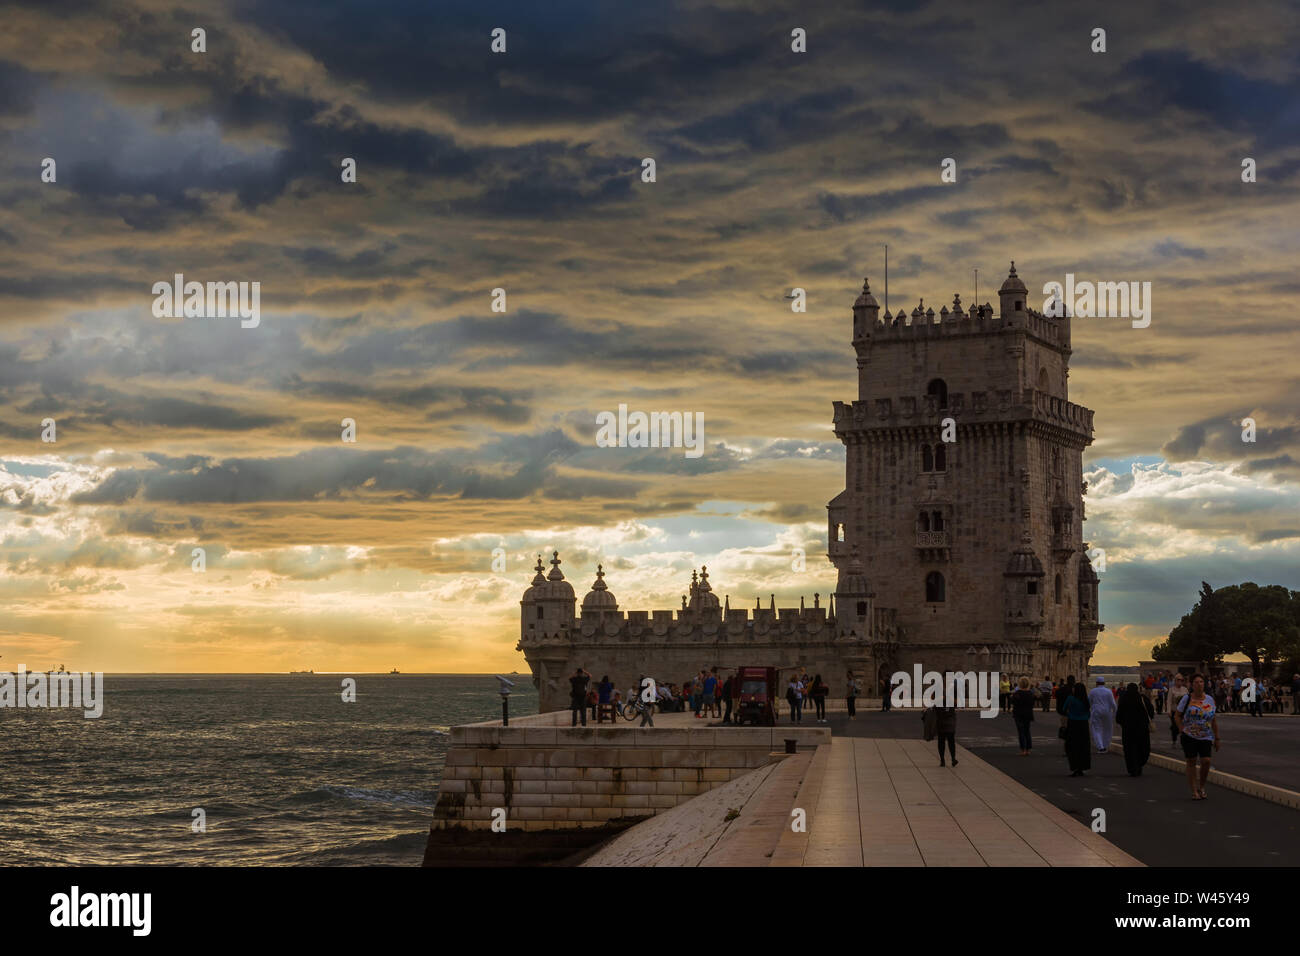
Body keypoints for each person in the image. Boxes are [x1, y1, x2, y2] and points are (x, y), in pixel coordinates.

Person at [1174, 674, 1220, 800]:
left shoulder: (1210, 699)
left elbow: (1213, 719)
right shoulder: (1187, 699)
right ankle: (1194, 790)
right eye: (1196, 682)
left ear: (1204, 684)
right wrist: (1181, 728)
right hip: (1189, 735)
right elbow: (1177, 715)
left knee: (1206, 761)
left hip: (1206, 735)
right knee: (1191, 762)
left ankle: (1201, 786)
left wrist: (1217, 738)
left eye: (1201, 682)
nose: (1199, 684)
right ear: (1192, 684)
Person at [1116, 683, 1154, 776]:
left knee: (1129, 749)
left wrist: (1123, 723)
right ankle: (1139, 764)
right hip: (1142, 729)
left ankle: (1132, 768)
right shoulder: (1142, 698)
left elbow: (1119, 715)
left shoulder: (1124, 699)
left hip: (1128, 730)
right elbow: (1150, 711)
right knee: (1142, 747)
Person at [1063, 683, 1091, 776]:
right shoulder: (1085, 700)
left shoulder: (1070, 698)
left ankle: (1075, 767)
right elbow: (1088, 713)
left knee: (1073, 746)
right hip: (1084, 724)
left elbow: (1064, 709)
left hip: (1073, 723)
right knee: (1083, 746)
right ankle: (1082, 767)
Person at [1087, 677, 1117, 753]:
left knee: (1097, 729)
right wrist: (1115, 713)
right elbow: (1113, 704)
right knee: (1108, 729)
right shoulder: (1108, 691)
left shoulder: (1093, 691)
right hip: (1107, 712)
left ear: (1096, 683)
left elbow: (1089, 702)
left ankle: (1100, 747)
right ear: (1104, 683)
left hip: (1096, 711)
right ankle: (1106, 745)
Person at [1011, 676, 1036, 755]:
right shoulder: (1031, 694)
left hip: (1018, 714)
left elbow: (1013, 702)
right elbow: (1032, 704)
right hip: (1028, 714)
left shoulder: (1016, 694)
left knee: (1021, 732)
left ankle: (1023, 749)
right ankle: (1028, 749)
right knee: (1027, 731)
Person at [1167, 674, 1188, 745]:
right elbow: (1169, 701)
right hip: (1174, 711)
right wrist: (1169, 711)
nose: (1180, 681)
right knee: (1175, 727)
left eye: (1181, 680)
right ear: (1175, 681)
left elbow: (1188, 700)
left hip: (1183, 712)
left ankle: (1183, 741)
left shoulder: (1185, 689)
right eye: (1178, 680)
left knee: (1183, 726)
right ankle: (1174, 739)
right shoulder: (1171, 689)